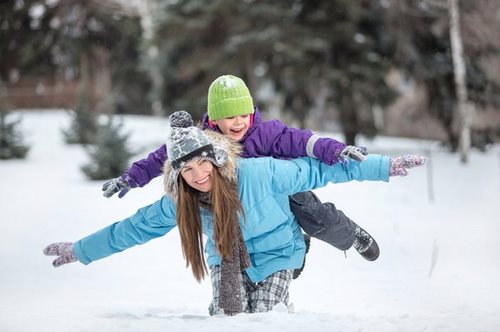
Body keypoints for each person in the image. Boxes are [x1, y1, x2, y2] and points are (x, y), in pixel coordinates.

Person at [44, 111, 426, 316]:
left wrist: (383, 167)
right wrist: (82, 250)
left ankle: (286, 302)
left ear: (213, 158)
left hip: (279, 254)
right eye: (187, 171)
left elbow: (321, 170)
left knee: (261, 319)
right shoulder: (182, 201)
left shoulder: (258, 173)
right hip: (227, 261)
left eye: (202, 166)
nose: (198, 176)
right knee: (228, 319)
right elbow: (133, 228)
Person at [101, 75, 380, 275]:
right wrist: (131, 178)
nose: (239, 122)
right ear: (214, 118)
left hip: (282, 189)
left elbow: (305, 141)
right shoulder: (200, 138)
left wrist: (337, 150)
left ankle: (351, 233)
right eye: (230, 115)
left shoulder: (267, 132)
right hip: (239, 201)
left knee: (317, 218)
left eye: (244, 113)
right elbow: (162, 157)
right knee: (245, 242)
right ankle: (291, 251)